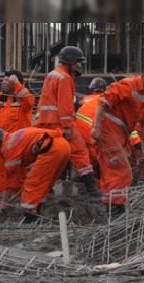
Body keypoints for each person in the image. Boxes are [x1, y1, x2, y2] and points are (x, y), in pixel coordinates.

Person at [91, 64, 144, 214]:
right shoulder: (128, 85)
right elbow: (103, 103)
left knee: (111, 171)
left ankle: (109, 206)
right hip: (108, 130)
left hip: (120, 135)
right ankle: (116, 208)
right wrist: (97, 127)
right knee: (122, 170)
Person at [34, 46, 99, 195]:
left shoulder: (52, 74)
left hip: (45, 121)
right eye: (77, 62)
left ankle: (46, 186)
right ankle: (90, 186)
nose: (79, 66)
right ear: (70, 62)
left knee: (50, 154)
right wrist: (67, 128)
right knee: (80, 151)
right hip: (59, 123)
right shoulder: (65, 78)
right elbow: (65, 107)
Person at [0, 127, 71, 220]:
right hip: (63, 146)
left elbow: (10, 180)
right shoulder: (15, 137)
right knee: (44, 185)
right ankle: (40, 210)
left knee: (32, 184)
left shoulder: (8, 148)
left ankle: (30, 217)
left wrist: (3, 204)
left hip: (50, 150)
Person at [0, 69, 35, 194]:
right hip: (0, 147)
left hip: (18, 148)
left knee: (17, 177)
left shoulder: (24, 100)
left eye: (7, 80)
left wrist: (17, 84)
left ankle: (14, 204)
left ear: (15, 83)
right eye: (3, 80)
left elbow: (28, 101)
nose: (3, 83)